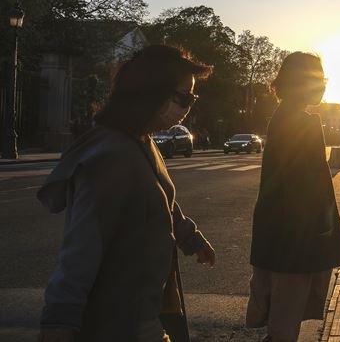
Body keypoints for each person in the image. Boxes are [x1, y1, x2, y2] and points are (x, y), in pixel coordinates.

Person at [37, 45, 216, 342]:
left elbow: (160, 200)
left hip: (142, 313)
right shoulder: (111, 156)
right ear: (151, 93)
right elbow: (81, 249)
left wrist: (189, 237)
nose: (188, 106)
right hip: (116, 322)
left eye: (192, 98)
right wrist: (59, 319)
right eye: (183, 97)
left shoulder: (141, 141)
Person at [247, 52, 340, 342]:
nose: (323, 86)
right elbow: (304, 186)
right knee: (284, 325)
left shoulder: (284, 117)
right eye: (317, 79)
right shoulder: (300, 122)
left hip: (283, 236)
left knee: (281, 322)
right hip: (295, 239)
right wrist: (320, 233)